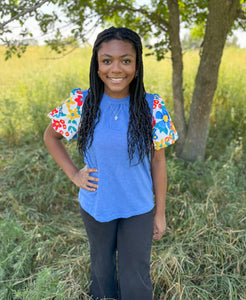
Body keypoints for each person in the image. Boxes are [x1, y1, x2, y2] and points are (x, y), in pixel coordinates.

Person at [44, 27, 178, 300]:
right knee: (102, 272)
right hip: (96, 205)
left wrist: (160, 212)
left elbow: (159, 162)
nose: (116, 69)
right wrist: (74, 175)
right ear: (97, 64)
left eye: (125, 60)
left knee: (135, 277)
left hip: (138, 207)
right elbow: (51, 136)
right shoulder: (81, 102)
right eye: (107, 60)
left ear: (137, 66)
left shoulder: (152, 107)